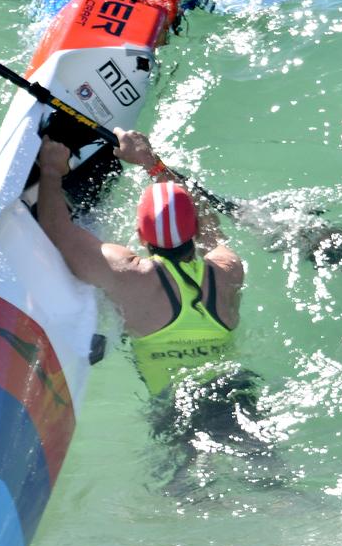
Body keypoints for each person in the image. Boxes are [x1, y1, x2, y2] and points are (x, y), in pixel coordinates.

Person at [36, 128, 267, 452]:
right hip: (236, 390)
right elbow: (209, 226)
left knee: (188, 494)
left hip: (176, 405)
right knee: (271, 474)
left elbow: (57, 230)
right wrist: (150, 161)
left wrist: (50, 170)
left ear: (139, 235)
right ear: (195, 231)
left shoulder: (128, 274)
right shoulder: (227, 270)